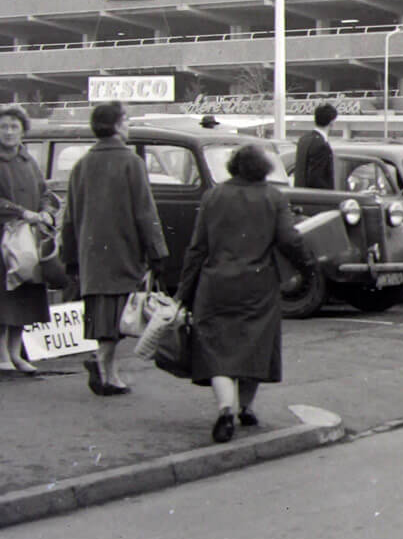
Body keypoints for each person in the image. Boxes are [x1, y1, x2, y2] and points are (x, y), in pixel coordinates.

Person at [177, 145, 319, 443]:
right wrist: (307, 266)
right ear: (264, 168)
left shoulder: (213, 196)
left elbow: (196, 249)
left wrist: (184, 292)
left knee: (217, 349)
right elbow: (289, 239)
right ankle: (247, 407)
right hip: (258, 286)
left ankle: (225, 408)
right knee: (255, 345)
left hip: (215, 284)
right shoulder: (273, 197)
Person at [58, 101, 168, 396]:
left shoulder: (81, 165)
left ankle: (108, 371)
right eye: (127, 120)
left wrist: (68, 256)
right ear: (118, 126)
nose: (128, 125)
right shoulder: (131, 162)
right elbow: (146, 213)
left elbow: (69, 216)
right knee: (120, 314)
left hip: (91, 254)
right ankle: (103, 368)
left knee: (104, 313)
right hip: (123, 250)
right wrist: (157, 253)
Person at [0, 106, 55, 375]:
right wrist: (21, 212)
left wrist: (46, 212)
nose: (9, 132)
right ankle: (2, 356)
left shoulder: (28, 160)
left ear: (23, 130)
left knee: (23, 293)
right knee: (4, 294)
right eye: (3, 126)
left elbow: (45, 191)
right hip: (3, 238)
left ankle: (14, 353)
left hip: (27, 239)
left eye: (14, 126)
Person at [293, 103, 337, 191]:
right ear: (331, 122)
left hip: (300, 195)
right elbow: (316, 178)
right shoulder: (321, 145)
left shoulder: (303, 139)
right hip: (316, 199)